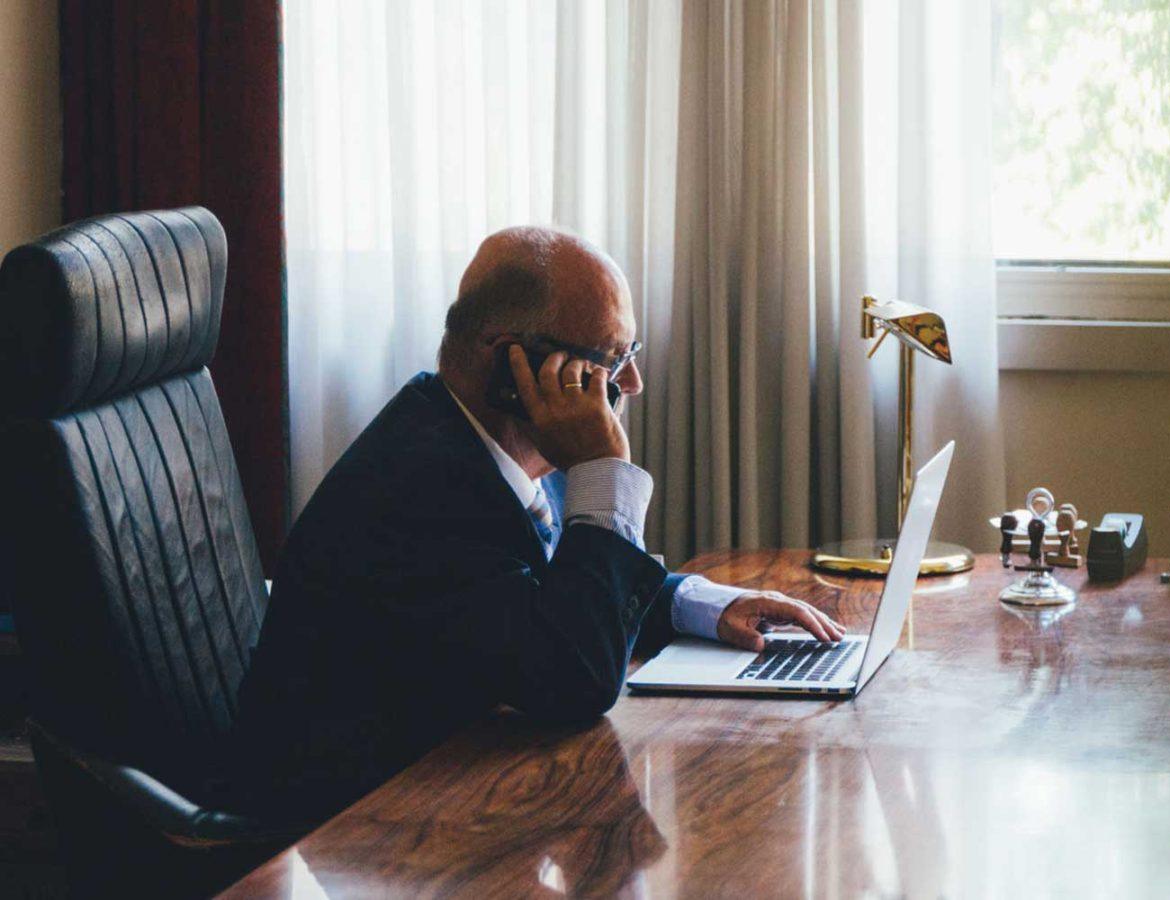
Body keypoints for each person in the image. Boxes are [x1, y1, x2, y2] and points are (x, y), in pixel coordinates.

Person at [234, 226, 843, 820]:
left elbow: (566, 590)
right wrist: (605, 470)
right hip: (357, 833)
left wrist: (707, 605)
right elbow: (576, 679)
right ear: (513, 366)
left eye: (630, 355)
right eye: (610, 359)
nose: (631, 382)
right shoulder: (418, 491)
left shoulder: (498, 443)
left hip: (449, 789)